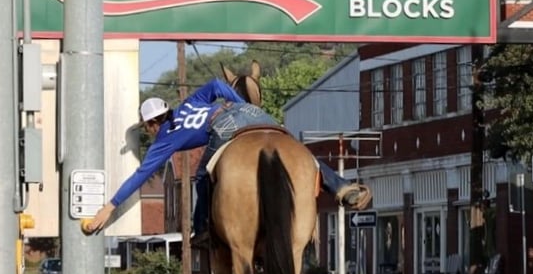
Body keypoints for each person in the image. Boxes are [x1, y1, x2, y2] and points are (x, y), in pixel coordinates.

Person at [82, 78, 371, 249]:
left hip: (222, 126)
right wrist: (245, 106)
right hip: (249, 113)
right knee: (298, 152)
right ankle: (343, 188)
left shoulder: (165, 138)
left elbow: (141, 174)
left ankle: (202, 229)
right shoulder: (189, 103)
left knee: (200, 175)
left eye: (147, 126)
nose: (149, 131)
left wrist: (109, 207)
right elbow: (218, 84)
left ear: (153, 122)